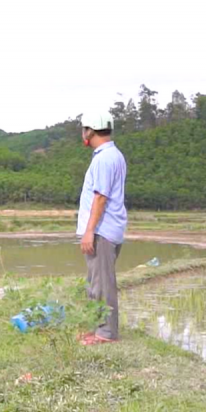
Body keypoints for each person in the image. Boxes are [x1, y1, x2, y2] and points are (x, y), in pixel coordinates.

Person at [76, 109, 128, 345]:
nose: (82, 134)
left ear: (90, 131)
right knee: (95, 282)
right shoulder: (109, 155)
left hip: (102, 231)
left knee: (103, 283)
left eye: (83, 130)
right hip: (104, 229)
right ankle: (98, 329)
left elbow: (100, 197)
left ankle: (107, 334)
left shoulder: (105, 158)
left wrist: (89, 231)